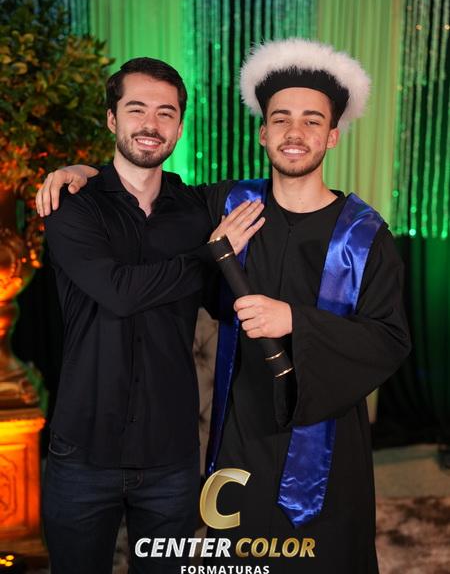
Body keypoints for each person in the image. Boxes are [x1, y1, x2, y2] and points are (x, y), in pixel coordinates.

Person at [38, 39, 411, 573]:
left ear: (332, 134)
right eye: (280, 118)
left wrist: (294, 320)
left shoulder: (365, 235)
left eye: (311, 121)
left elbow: (390, 339)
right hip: (240, 435)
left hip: (325, 438)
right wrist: (82, 170)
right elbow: (138, 177)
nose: (294, 132)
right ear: (262, 133)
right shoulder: (228, 206)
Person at [40, 56, 263, 574]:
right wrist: (212, 254)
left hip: (171, 456)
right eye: (136, 109)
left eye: (166, 113)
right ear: (112, 119)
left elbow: (276, 194)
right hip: (82, 451)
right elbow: (118, 292)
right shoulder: (74, 205)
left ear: (180, 128)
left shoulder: (197, 208)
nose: (151, 124)